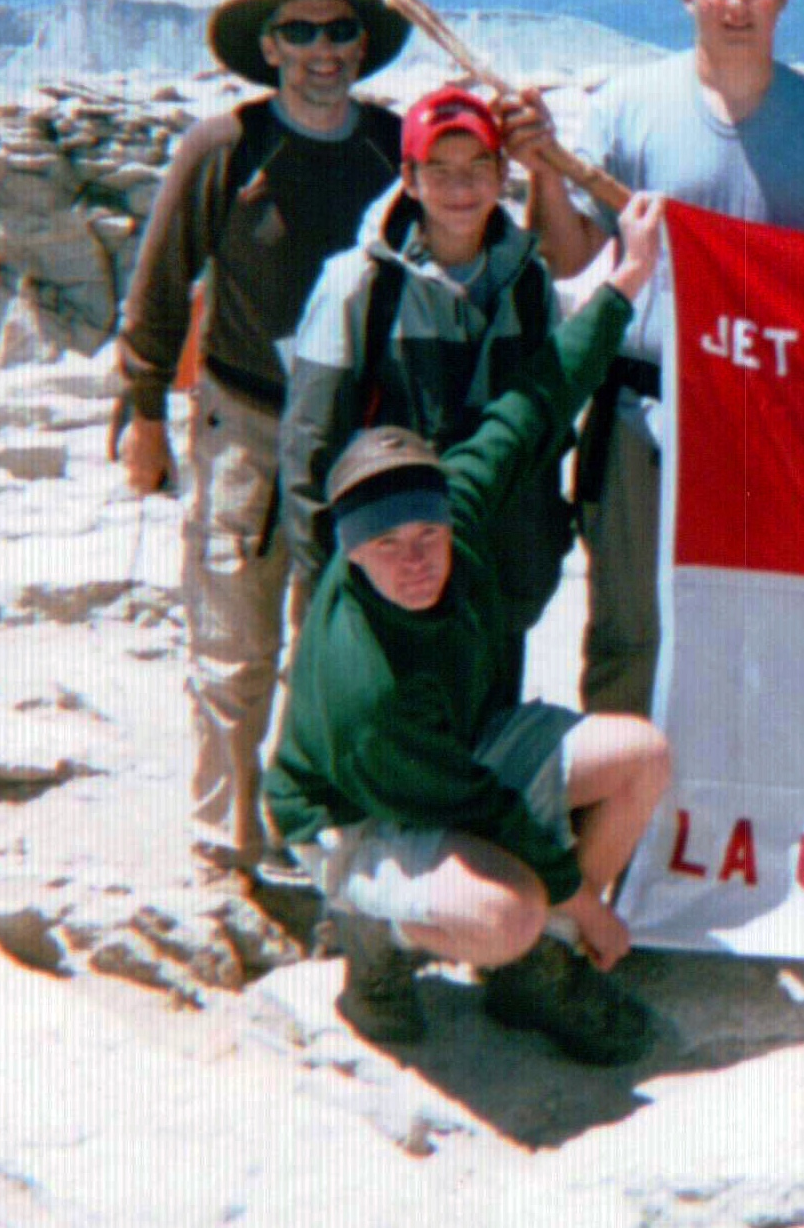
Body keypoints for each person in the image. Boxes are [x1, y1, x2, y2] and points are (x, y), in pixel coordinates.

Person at [267, 194, 676, 1062]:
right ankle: (372, 935)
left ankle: (534, 975)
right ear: (350, 553)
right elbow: (478, 802)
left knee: (640, 755)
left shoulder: (455, 500)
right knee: (511, 907)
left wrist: (629, 276)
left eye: (427, 538)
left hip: (464, 749)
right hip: (358, 810)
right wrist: (581, 900)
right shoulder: (369, 685)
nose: (414, 561)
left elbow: (535, 401)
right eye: (384, 549)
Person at [504, 0, 804, 718]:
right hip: (644, 413)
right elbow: (572, 256)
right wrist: (542, 171)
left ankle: (740, 832)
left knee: (769, 636)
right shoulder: (626, 106)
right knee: (628, 636)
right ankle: (619, 832)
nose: (735, 4)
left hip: (776, 422)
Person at [112, 0, 409, 889]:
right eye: (300, 32)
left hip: (359, 436)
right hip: (244, 421)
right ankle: (224, 843)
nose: (322, 51)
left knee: (336, 641)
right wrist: (144, 410)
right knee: (236, 638)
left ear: (363, 44)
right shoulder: (226, 148)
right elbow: (162, 283)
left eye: (338, 30)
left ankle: (305, 824)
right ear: (269, 48)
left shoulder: (391, 147)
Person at [277, 86, 569, 697]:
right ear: (409, 178)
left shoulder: (529, 281)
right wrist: (323, 590)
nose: (460, 187)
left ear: (501, 174)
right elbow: (311, 445)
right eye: (439, 169)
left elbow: (547, 435)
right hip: (394, 572)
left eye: (476, 167)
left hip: (497, 573)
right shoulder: (358, 283)